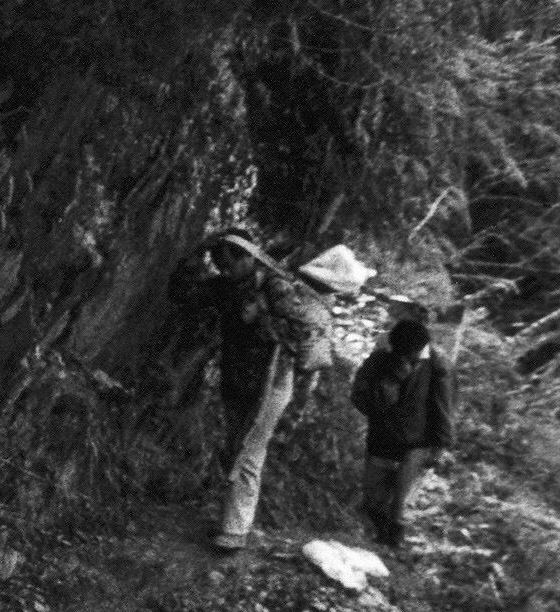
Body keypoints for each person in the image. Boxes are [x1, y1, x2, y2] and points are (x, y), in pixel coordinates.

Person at [182, 229, 339, 552]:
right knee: (236, 448)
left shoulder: (276, 287)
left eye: (228, 262)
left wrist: (262, 315)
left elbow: (297, 332)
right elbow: (183, 294)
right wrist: (195, 256)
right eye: (219, 263)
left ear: (248, 258)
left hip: (272, 380)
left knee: (248, 451)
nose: (224, 269)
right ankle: (231, 521)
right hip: (237, 380)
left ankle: (234, 531)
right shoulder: (227, 287)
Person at [350, 315, 455, 549]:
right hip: (381, 440)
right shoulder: (380, 361)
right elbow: (363, 400)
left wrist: (441, 444)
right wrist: (394, 377)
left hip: (416, 445)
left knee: (400, 506)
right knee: (373, 501)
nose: (413, 356)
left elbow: (443, 406)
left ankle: (394, 545)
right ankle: (375, 543)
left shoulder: (436, 366)